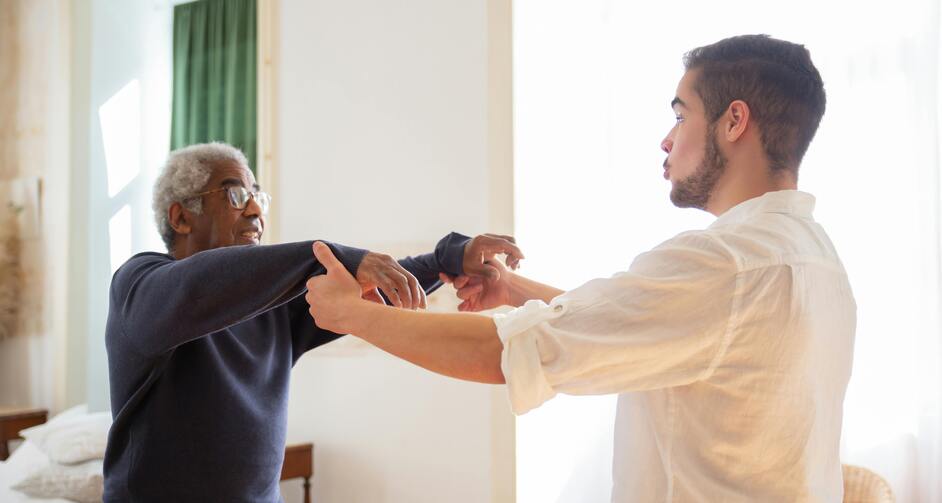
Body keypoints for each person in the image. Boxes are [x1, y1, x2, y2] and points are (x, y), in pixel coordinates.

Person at [305, 35, 856, 501]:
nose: (666, 139)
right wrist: (513, 289)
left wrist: (351, 315)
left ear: (735, 120)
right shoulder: (815, 258)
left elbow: (504, 353)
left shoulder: (725, 266)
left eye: (681, 114)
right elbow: (648, 323)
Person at [103, 142, 524, 502]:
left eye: (258, 196)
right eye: (234, 196)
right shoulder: (140, 286)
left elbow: (362, 289)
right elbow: (201, 286)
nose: (254, 209)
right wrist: (335, 255)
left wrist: (444, 259)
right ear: (180, 218)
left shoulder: (270, 305)